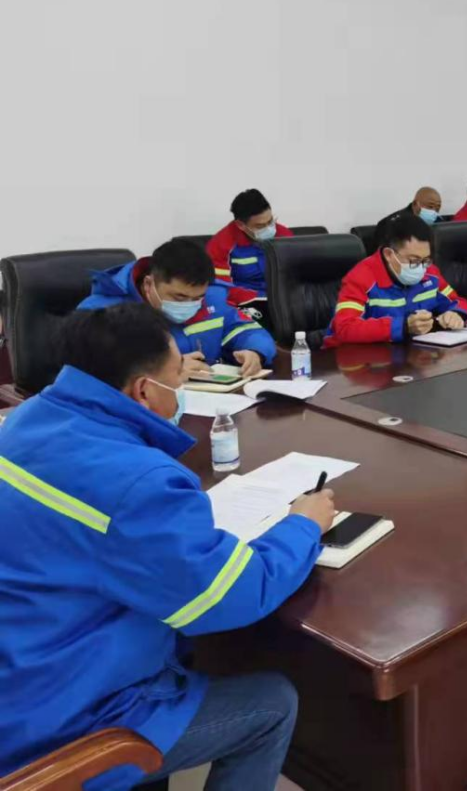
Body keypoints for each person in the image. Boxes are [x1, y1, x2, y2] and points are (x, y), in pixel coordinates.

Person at [0, 304, 335, 791]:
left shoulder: (25, 420)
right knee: (271, 704)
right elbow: (228, 595)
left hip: (24, 656)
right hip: (56, 718)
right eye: (180, 374)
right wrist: (303, 526)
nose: (184, 385)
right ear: (143, 390)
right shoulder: (137, 481)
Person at [78, 238, 275, 380]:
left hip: (207, 404)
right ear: (149, 284)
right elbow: (91, 373)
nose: (189, 304)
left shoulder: (212, 297)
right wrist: (166, 369)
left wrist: (255, 351)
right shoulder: (104, 312)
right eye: (179, 297)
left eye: (197, 298)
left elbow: (245, 329)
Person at [325, 211, 467, 347]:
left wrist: (456, 314)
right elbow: (344, 327)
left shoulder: (430, 273)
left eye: (426, 260)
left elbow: (459, 302)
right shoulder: (361, 277)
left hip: (406, 354)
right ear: (389, 254)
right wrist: (403, 326)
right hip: (351, 359)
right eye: (413, 260)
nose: (421, 267)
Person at [207, 189, 293, 307]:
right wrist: (262, 298)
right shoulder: (220, 245)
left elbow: (296, 274)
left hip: (284, 298)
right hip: (246, 302)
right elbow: (222, 288)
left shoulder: (284, 235)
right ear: (241, 225)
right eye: (260, 226)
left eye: (270, 221)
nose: (269, 229)